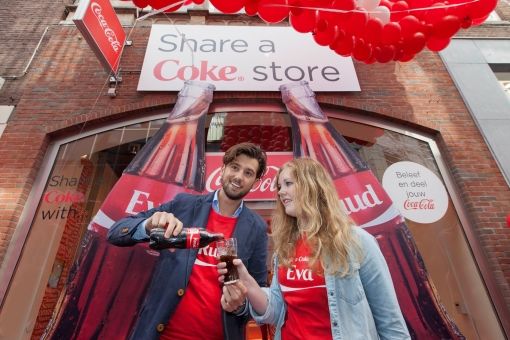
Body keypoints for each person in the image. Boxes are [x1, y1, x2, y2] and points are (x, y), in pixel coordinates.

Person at [218, 158, 411, 340]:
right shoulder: (285, 250)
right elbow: (275, 311)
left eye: (288, 184)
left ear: (312, 185)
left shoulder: (356, 242)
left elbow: (391, 323)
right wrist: (246, 279)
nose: (280, 192)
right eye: (279, 186)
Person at [107, 142, 269, 340]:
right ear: (222, 169)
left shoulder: (257, 228)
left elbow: (260, 295)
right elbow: (115, 232)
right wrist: (148, 225)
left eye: (248, 173)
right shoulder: (184, 205)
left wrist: (240, 306)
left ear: (256, 182)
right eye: (234, 167)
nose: (238, 177)